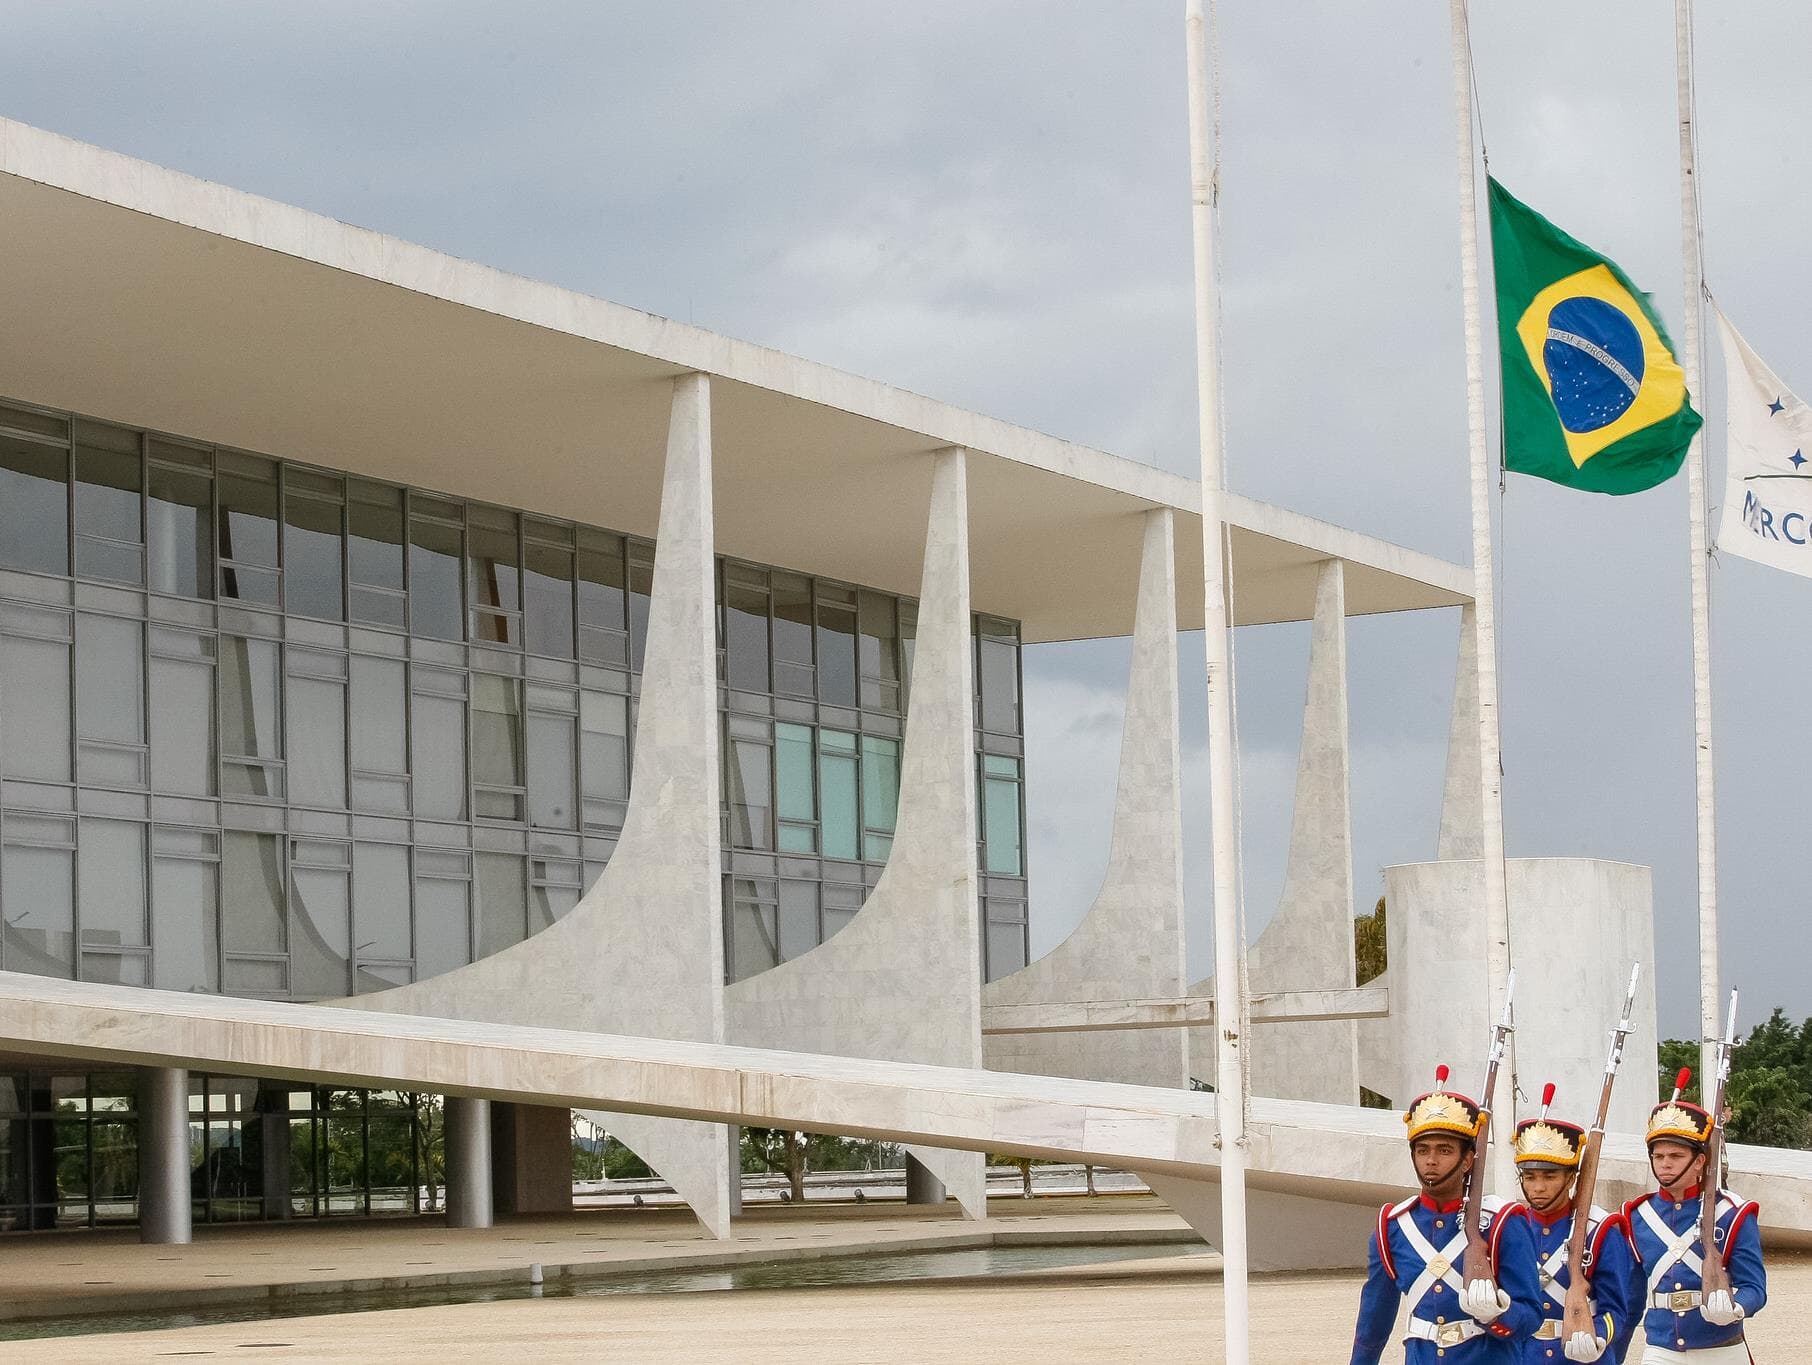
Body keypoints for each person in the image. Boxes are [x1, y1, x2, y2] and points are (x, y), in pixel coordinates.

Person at [1351, 1066, 1544, 1362]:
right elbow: (1373, 1322)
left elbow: (1531, 1317)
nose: (1430, 1160)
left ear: (1467, 1160)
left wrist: (1496, 1314)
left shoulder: (1503, 1222)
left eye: (1444, 1151)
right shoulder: (1394, 1226)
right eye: (1422, 1150)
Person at [1623, 1089, 1766, 1361]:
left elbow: (1755, 1288)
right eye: (1658, 1156)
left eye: (1675, 1156)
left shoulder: (1733, 1213)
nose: (1665, 1164)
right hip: (1660, 1349)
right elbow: (1630, 1301)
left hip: (1721, 1349)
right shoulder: (1636, 1216)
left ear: (1700, 1161)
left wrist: (1736, 1307)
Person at [1507, 1097, 1638, 1362]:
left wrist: (1598, 1335)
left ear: (1570, 1178)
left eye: (1550, 1176)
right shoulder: (1509, 1227)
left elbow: (1617, 1310)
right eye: (1530, 1177)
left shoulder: (1600, 1231)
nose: (1538, 1187)